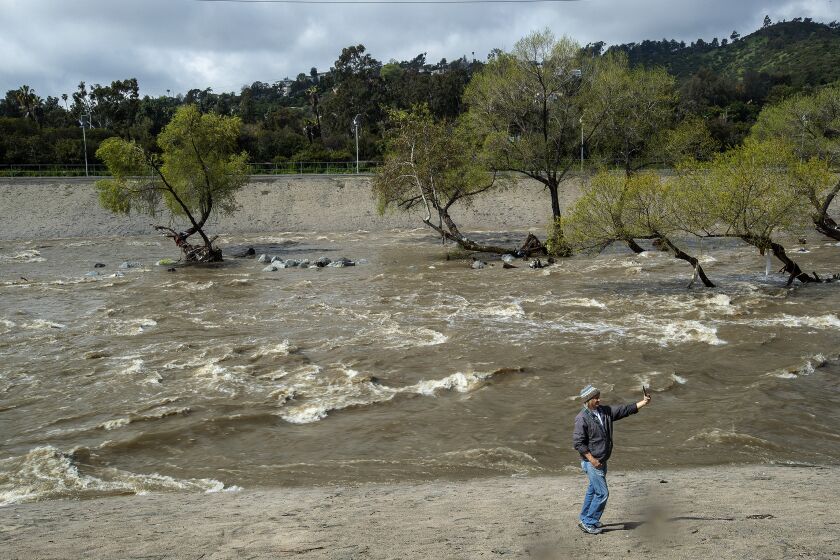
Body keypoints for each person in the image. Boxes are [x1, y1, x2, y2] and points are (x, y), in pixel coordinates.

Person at [572, 384, 652, 535]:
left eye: (598, 396)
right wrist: (592, 460)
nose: (599, 399)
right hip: (592, 462)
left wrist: (643, 402)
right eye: (595, 398)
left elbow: (625, 410)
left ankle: (585, 518)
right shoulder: (581, 418)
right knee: (602, 493)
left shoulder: (604, 412)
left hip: (602, 459)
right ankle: (588, 522)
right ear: (588, 400)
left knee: (593, 490)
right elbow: (578, 443)